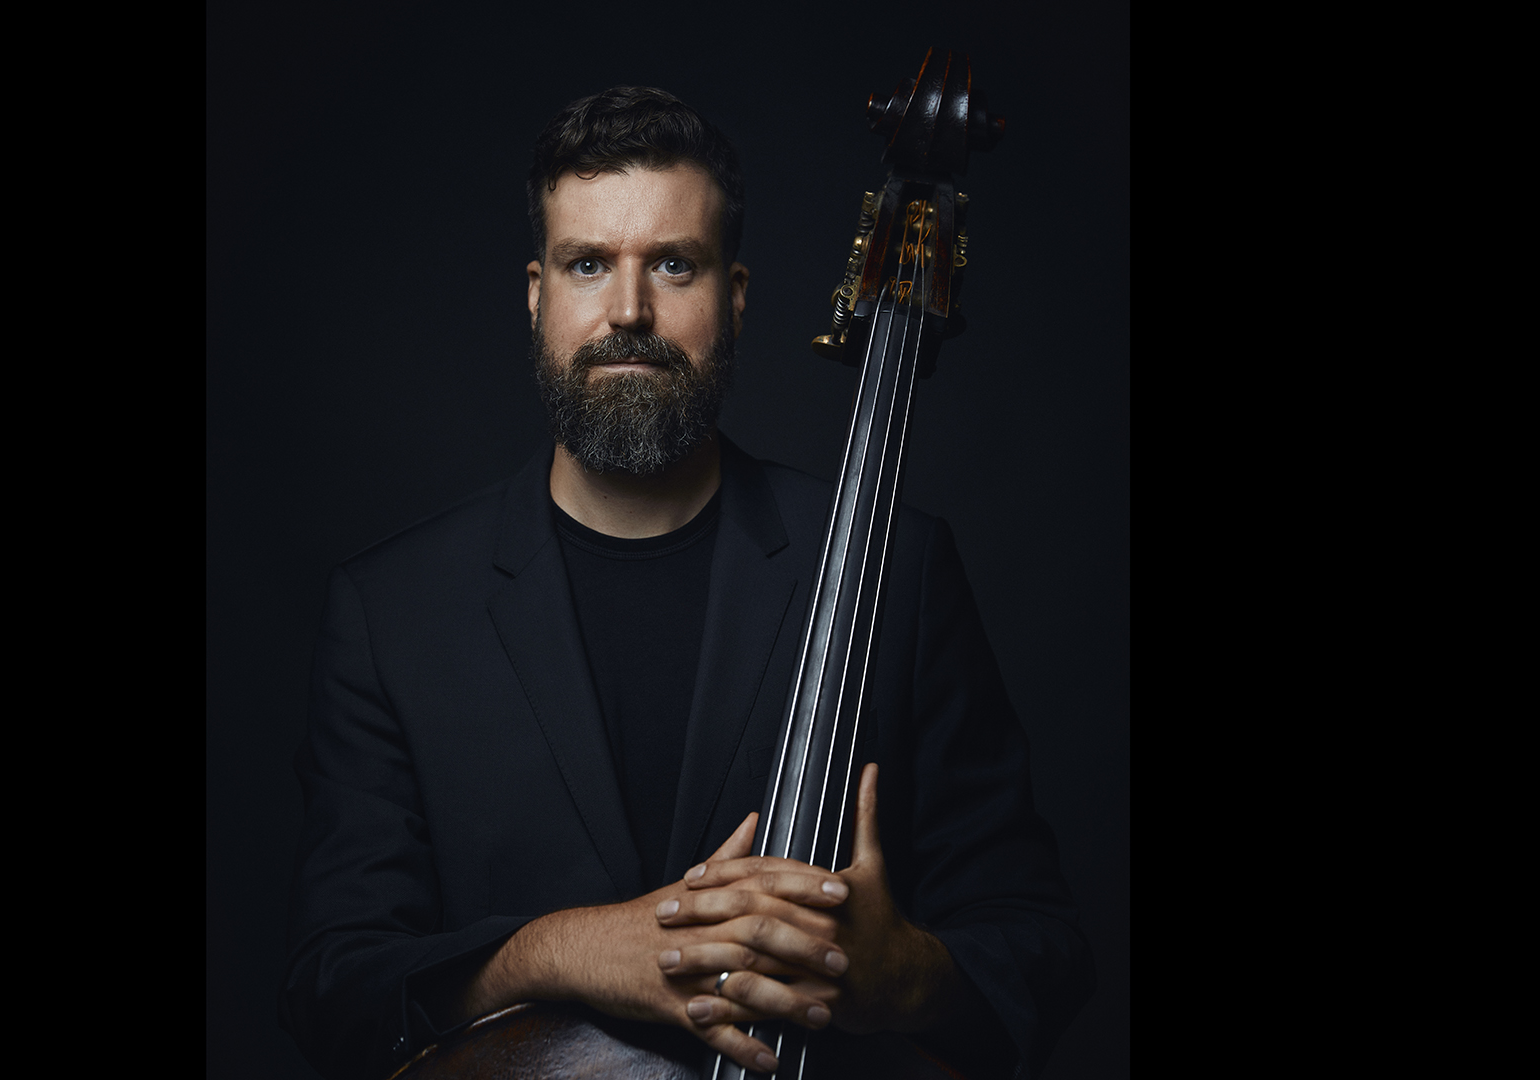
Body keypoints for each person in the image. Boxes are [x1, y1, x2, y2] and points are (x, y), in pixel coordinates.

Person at [279, 86, 1092, 1080]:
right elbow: (335, 988)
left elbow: (1040, 951)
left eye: (674, 264)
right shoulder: (390, 613)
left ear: (734, 295)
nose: (629, 311)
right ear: (537, 294)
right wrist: (561, 951)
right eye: (588, 264)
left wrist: (906, 976)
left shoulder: (900, 569)